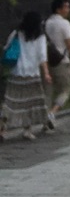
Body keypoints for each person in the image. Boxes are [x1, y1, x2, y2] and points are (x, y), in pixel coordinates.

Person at [0, 12, 52, 141]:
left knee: (11, 102)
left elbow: (7, 47)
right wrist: (46, 73)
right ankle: (27, 130)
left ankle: (2, 128)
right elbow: (42, 57)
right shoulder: (40, 37)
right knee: (30, 104)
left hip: (16, 73)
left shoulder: (16, 33)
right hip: (32, 74)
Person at [44, 0, 70, 126]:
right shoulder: (64, 23)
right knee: (66, 89)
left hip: (45, 61)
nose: (68, 9)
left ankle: (45, 120)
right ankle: (52, 112)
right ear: (58, 9)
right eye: (66, 7)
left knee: (47, 92)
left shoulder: (46, 23)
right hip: (61, 61)